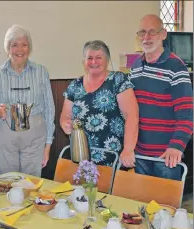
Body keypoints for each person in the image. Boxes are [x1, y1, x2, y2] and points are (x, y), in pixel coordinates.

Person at [0, 24, 55, 177]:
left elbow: (49, 110)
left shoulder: (41, 72)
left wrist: (47, 145)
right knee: (7, 182)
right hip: (5, 137)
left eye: (24, 45)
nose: (20, 50)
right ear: (8, 48)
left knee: (31, 184)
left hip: (35, 137)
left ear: (30, 48)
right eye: (14, 45)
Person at [129, 14, 193, 180]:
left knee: (165, 206)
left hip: (166, 157)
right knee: (140, 205)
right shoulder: (135, 67)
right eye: (142, 32)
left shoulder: (176, 67)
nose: (146, 37)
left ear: (163, 34)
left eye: (152, 32)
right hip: (140, 155)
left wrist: (177, 145)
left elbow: (186, 114)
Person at [60, 40, 139, 166]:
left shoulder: (118, 80)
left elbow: (132, 116)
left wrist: (128, 149)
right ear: (83, 62)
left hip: (113, 158)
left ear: (107, 60)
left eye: (98, 58)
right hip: (81, 157)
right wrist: (65, 124)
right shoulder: (75, 85)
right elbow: (65, 116)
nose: (93, 62)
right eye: (89, 58)